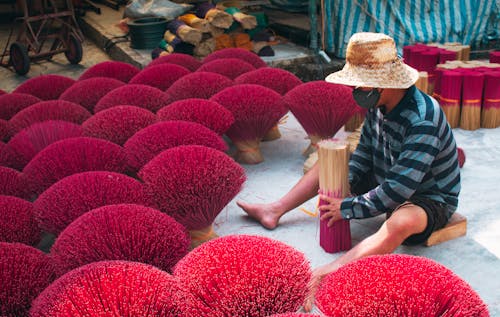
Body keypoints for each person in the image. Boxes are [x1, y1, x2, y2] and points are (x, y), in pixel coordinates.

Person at [237, 32, 461, 312]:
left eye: (361, 81)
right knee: (330, 159)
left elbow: (399, 189)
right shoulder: (379, 106)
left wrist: (349, 207)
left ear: (386, 83)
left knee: (400, 223)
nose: (356, 87)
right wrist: (344, 183)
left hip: (427, 196)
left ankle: (331, 272)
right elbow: (365, 153)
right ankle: (275, 209)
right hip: (385, 175)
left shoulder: (423, 118)